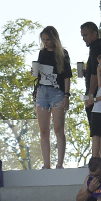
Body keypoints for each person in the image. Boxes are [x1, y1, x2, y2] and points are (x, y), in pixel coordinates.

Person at [32, 25, 73, 169]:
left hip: (57, 93)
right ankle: (46, 164)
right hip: (42, 91)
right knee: (43, 130)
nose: (45, 42)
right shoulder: (42, 53)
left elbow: (67, 76)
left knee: (58, 129)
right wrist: (34, 72)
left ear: (54, 39)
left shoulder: (62, 53)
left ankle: (60, 163)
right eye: (43, 39)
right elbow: (39, 74)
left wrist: (67, 95)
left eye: (48, 39)